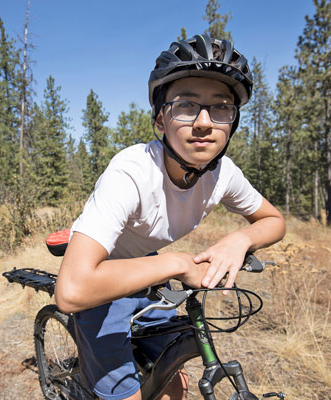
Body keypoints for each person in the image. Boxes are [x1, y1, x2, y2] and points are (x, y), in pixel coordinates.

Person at [55, 34, 286, 400]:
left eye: (221, 107)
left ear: (233, 122)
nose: (204, 123)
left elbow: (273, 220)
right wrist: (179, 263)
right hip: (103, 276)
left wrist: (240, 239)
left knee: (174, 383)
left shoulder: (222, 173)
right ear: (161, 120)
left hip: (145, 268)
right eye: (186, 106)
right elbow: (71, 291)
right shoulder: (130, 173)